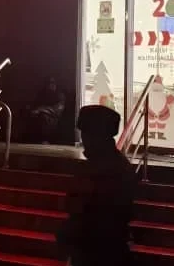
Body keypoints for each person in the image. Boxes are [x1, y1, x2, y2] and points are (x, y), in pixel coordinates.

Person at [56, 105, 137, 266]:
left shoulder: (110, 168)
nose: (84, 140)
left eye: (87, 134)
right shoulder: (107, 165)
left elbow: (88, 209)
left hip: (100, 250)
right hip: (94, 247)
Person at [22, 77, 66, 144]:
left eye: (53, 83)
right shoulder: (42, 94)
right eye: (49, 83)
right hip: (39, 114)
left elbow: (58, 109)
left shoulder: (60, 95)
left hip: (53, 117)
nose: (51, 85)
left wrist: (41, 110)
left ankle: (45, 139)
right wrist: (31, 109)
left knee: (43, 117)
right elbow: (36, 104)